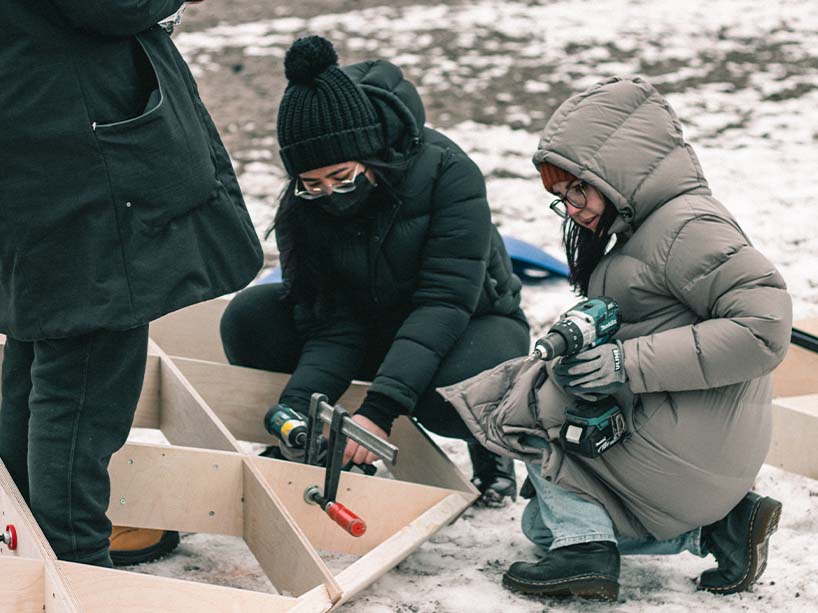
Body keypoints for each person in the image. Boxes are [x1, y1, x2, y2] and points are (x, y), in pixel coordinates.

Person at [439, 76, 792, 600]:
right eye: (561, 197)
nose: (573, 206)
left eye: (577, 187)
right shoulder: (641, 227)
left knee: (526, 397)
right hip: (691, 433)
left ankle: (588, 552)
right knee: (541, 528)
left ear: (616, 169)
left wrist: (627, 362)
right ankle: (717, 528)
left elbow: (765, 329)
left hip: (698, 437)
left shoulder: (688, 226)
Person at [0, 1, 262, 567]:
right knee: (86, 375)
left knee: (40, 344)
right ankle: (76, 561)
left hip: (35, 135)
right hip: (76, 155)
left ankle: (26, 535)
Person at [219, 36, 529, 505]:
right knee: (251, 317)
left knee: (449, 398)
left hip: (469, 321)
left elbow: (443, 303)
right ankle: (322, 433)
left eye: (343, 178)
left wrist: (380, 412)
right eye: (313, 184)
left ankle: (486, 448)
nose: (330, 195)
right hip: (373, 324)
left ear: (372, 154)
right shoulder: (304, 206)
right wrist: (299, 404)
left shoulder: (448, 172)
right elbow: (331, 319)